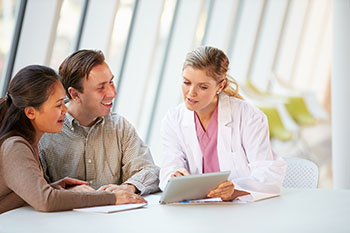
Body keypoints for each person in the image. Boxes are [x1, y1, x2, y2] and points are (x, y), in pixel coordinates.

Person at [0, 65, 146, 214]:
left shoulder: (27, 144)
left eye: (63, 102)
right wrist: (111, 197)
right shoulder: (15, 146)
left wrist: (54, 187)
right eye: (58, 105)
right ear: (31, 112)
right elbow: (46, 201)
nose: (65, 109)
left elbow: (24, 195)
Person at [159, 46, 286, 202]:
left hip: (241, 211)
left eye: (203, 87)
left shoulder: (249, 117)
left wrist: (234, 190)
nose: (191, 93)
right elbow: (169, 168)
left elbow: (268, 175)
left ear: (220, 86)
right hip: (195, 210)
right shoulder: (173, 119)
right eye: (186, 82)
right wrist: (174, 176)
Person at [39, 50, 159, 197]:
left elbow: (149, 171)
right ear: (75, 94)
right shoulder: (46, 134)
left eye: (111, 82)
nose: (112, 93)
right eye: (101, 87)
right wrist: (63, 192)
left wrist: (129, 187)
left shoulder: (119, 127)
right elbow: (35, 190)